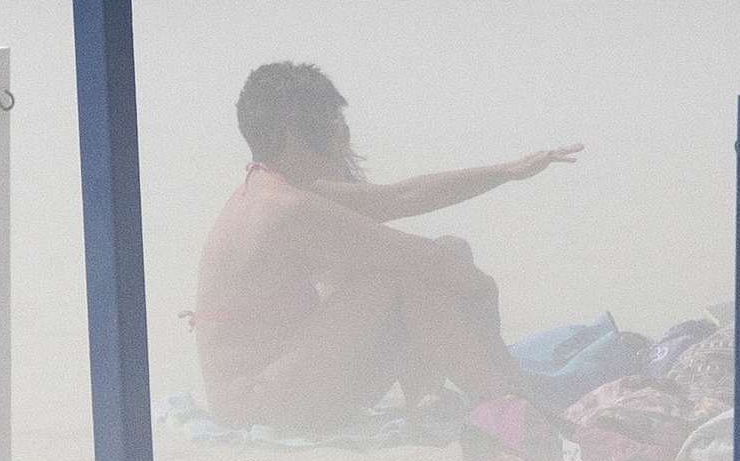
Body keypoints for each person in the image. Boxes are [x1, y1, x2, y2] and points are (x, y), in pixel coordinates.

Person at [190, 63, 581, 432]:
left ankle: (441, 396)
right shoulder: (286, 208)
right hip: (257, 402)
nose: (344, 137)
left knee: (445, 253)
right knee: (405, 276)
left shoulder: (278, 192)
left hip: (286, 381)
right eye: (334, 125)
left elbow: (402, 197)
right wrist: (486, 315)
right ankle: (506, 398)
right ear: (294, 134)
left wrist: (508, 172)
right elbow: (426, 262)